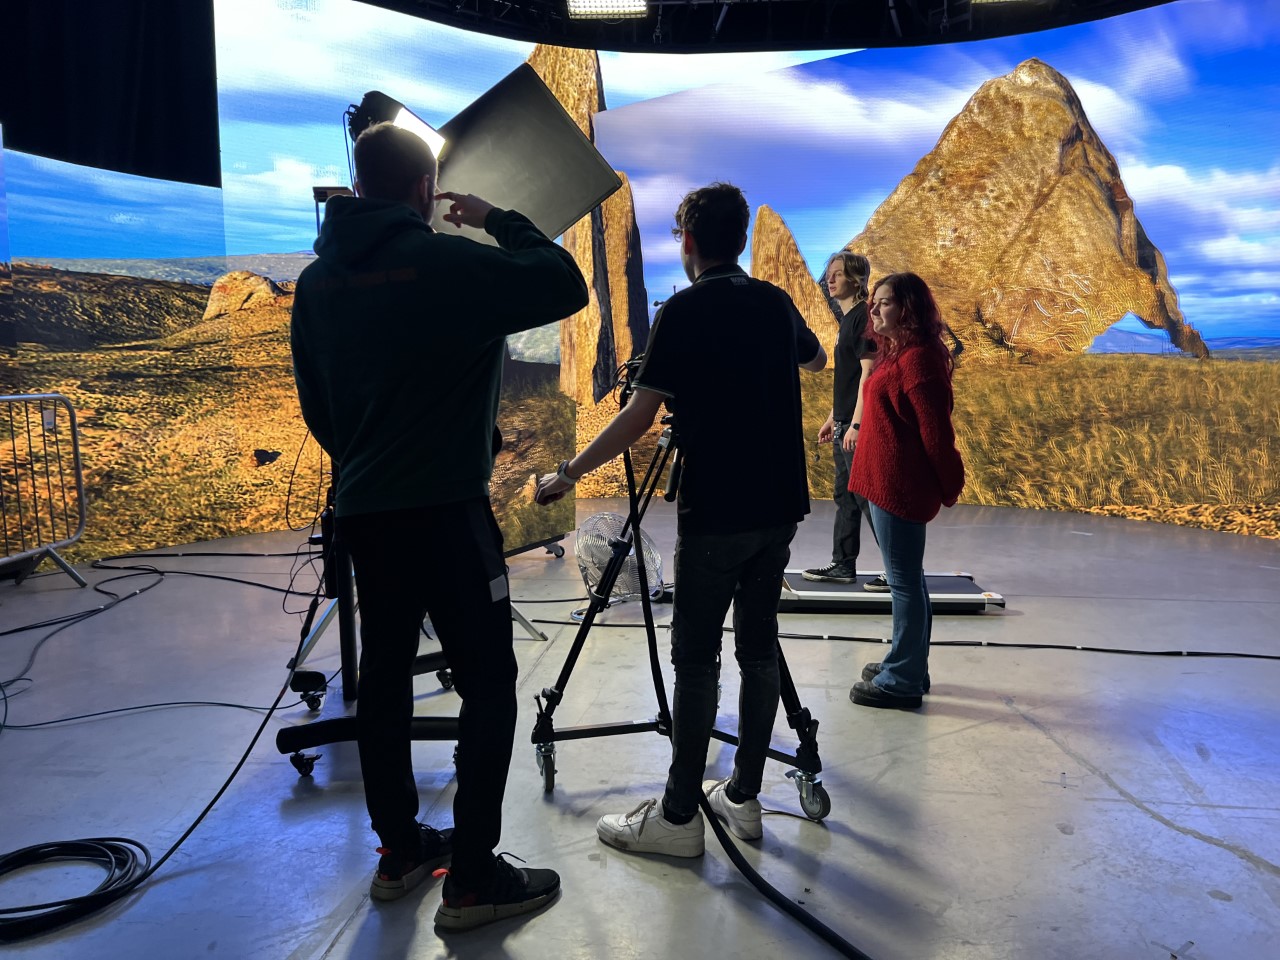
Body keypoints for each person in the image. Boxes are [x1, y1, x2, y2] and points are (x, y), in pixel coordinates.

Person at [290, 121, 588, 928]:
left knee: (382, 681)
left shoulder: (317, 284)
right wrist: (496, 218)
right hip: (449, 517)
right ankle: (474, 877)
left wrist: (371, 459)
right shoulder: (448, 259)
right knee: (489, 684)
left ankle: (401, 852)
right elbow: (564, 283)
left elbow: (320, 409)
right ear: (425, 191)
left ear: (357, 183)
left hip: (366, 515)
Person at [534, 182, 826, 856]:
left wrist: (569, 474)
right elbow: (814, 357)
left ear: (689, 240)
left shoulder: (686, 312)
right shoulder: (777, 304)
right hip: (779, 507)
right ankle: (744, 800)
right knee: (757, 651)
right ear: (740, 238)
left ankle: (677, 819)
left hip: (717, 511)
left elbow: (639, 416)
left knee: (696, 664)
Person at [847, 272, 964, 710]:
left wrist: (949, 484)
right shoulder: (898, 353)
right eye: (873, 302)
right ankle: (908, 662)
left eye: (884, 303)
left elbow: (936, 434)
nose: (873, 310)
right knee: (908, 581)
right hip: (884, 484)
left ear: (909, 309)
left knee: (904, 585)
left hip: (900, 487)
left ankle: (903, 679)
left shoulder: (918, 360)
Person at [803, 251, 887, 592]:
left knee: (867, 497)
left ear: (855, 280)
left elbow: (869, 376)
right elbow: (850, 380)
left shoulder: (862, 320)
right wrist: (833, 419)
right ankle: (842, 565)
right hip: (844, 423)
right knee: (847, 497)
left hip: (856, 427)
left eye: (837, 274)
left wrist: (854, 425)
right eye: (829, 274)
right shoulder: (848, 320)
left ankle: (896, 567)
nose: (829, 280)